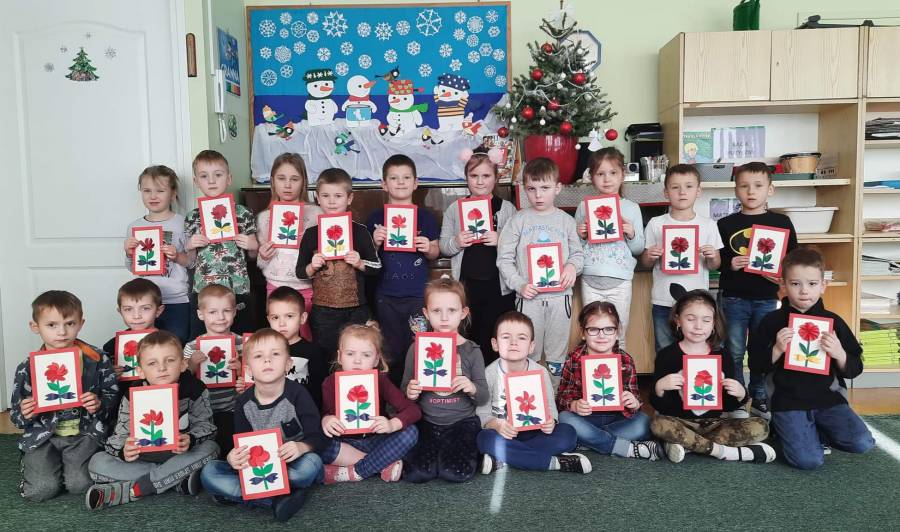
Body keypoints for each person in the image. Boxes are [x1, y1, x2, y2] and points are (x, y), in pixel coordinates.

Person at [748, 248, 874, 470]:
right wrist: (777, 349)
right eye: (795, 284)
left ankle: (818, 430)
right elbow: (755, 365)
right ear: (783, 285)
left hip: (828, 399)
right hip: (788, 401)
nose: (804, 291)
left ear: (823, 285)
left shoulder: (834, 322)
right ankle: (782, 428)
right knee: (808, 461)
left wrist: (839, 353)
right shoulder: (771, 321)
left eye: (812, 284)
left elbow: (855, 368)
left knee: (862, 443)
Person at [201, 328, 325, 522]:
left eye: (275, 354)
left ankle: (253, 496)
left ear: (288, 364)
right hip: (260, 468)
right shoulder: (243, 402)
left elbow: (318, 437)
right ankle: (279, 498)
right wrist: (234, 457)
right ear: (248, 369)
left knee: (312, 464)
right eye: (259, 356)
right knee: (209, 473)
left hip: (293, 464)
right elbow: (242, 445)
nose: (267, 360)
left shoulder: (298, 394)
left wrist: (302, 447)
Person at [86, 330, 219, 509]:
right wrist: (123, 451)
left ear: (183, 364)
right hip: (142, 459)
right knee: (97, 462)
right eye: (152, 363)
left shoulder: (195, 388)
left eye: (169, 360)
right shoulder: (131, 394)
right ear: (140, 371)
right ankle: (174, 479)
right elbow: (119, 436)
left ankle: (137, 488)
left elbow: (208, 427)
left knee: (212, 448)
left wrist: (191, 439)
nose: (162, 368)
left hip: (181, 454)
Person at [9, 291, 118, 501]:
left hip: (84, 434)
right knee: (41, 491)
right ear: (35, 327)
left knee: (80, 485)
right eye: (52, 325)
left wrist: (99, 404)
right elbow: (16, 416)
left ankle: (75, 464)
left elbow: (112, 396)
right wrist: (25, 413)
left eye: (70, 323)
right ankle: (34, 462)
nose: (62, 332)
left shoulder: (97, 359)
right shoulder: (27, 367)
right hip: (43, 437)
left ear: (81, 324)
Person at [649, 289, 775, 464]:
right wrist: (659, 388)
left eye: (706, 320)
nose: (698, 326)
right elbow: (660, 406)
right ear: (678, 320)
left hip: (715, 425)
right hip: (680, 422)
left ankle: (687, 445)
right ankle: (726, 452)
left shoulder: (723, 356)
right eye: (690, 319)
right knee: (658, 424)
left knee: (760, 427)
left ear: (714, 323)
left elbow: (729, 405)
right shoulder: (667, 356)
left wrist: (741, 394)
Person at [718, 161, 798, 419]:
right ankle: (737, 397)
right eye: (744, 186)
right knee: (734, 349)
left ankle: (760, 396)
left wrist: (781, 275)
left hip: (766, 297)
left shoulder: (781, 222)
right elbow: (717, 261)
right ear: (735, 190)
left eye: (758, 186)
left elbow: (792, 259)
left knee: (761, 347)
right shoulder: (725, 224)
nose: (751, 191)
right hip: (733, 297)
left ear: (770, 190)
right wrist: (730, 263)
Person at [497, 158, 584, 383]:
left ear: (558, 188)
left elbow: (578, 254)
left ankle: (553, 396)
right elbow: (504, 259)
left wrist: (572, 267)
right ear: (524, 189)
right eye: (532, 189)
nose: (538, 195)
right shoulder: (517, 221)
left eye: (545, 188)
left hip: (559, 299)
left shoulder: (566, 221)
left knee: (557, 354)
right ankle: (527, 396)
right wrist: (519, 284)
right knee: (527, 351)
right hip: (528, 300)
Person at [476, 311, 591, 475]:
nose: (513, 343)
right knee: (484, 439)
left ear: (531, 346)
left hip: (536, 433)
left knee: (568, 433)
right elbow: (481, 414)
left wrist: (551, 422)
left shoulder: (541, 372)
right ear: (495, 344)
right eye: (506, 337)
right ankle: (554, 462)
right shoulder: (489, 374)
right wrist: (496, 424)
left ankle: (504, 458)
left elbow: (551, 409)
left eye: (522, 338)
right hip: (504, 433)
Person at [401, 278, 488, 483]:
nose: (444, 318)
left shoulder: (472, 350)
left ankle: (472, 452)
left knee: (455, 473)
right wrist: (410, 392)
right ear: (426, 313)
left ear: (463, 313)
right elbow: (404, 388)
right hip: (426, 422)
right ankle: (443, 451)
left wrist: (471, 387)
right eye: (436, 311)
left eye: (451, 310)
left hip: (462, 423)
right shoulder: (416, 348)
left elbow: (484, 396)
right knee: (416, 474)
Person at [439, 150, 517, 364]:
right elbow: (444, 246)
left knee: (497, 335)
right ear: (466, 178)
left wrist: (501, 239)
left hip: (499, 288)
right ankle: (470, 378)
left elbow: (520, 248)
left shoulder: (507, 209)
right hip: (466, 286)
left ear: (496, 177)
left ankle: (496, 378)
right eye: (474, 176)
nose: (480, 181)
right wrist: (456, 242)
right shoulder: (455, 209)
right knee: (468, 336)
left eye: (486, 176)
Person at [367, 154, 440, 384]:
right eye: (394, 178)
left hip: (417, 296)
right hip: (386, 295)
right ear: (384, 184)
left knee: (419, 347)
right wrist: (374, 242)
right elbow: (366, 257)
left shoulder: (426, 217)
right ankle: (392, 396)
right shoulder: (375, 217)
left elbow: (435, 251)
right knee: (389, 349)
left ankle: (417, 393)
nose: (400, 182)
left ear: (416, 183)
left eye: (406, 177)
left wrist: (428, 247)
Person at [557, 301, 661, 460]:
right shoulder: (574, 359)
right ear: (583, 333)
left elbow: (635, 400)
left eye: (609, 329)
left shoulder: (625, 360)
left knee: (644, 422)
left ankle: (589, 441)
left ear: (617, 332)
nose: (601, 335)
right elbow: (562, 399)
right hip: (584, 419)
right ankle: (624, 448)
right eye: (593, 329)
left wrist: (633, 403)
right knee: (564, 418)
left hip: (617, 419)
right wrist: (574, 405)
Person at [296, 168, 381, 360]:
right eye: (325, 196)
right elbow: (300, 272)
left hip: (356, 310)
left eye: (338, 196)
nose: (332, 201)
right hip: (322, 311)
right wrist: (312, 266)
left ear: (349, 198)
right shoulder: (310, 234)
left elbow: (377, 267)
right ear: (317, 198)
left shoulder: (360, 232)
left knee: (356, 355)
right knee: (326, 357)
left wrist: (360, 263)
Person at [319, 322, 420, 483]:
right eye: (350, 354)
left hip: (377, 440)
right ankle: (382, 464)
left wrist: (391, 424)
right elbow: (325, 413)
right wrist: (326, 420)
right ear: (340, 357)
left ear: (376, 360)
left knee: (411, 432)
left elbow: (413, 410)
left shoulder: (381, 380)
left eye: (366, 355)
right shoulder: (330, 383)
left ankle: (353, 472)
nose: (357, 361)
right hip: (345, 444)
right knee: (317, 441)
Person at [640, 164, 722, 352]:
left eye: (689, 186)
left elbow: (714, 265)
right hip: (663, 300)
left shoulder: (708, 225)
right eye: (675, 187)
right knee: (664, 349)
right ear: (666, 193)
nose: (682, 192)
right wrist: (650, 255)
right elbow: (645, 263)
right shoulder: (656, 223)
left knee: (696, 349)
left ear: (698, 191)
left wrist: (713, 256)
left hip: (697, 304)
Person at [574, 148, 645, 350]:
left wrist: (631, 233)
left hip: (620, 281)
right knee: (592, 335)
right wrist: (580, 236)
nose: (607, 179)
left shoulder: (631, 208)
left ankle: (620, 371)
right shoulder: (583, 207)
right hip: (590, 279)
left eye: (613, 173)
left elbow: (638, 248)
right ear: (591, 177)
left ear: (623, 174)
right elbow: (575, 249)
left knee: (618, 336)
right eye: (600, 174)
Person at [184, 150, 258, 339]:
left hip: (237, 287)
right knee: (202, 340)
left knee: (242, 338)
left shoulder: (243, 213)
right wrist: (190, 246)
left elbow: (253, 256)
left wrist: (252, 245)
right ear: (196, 181)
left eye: (218, 175)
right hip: (204, 288)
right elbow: (190, 261)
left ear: (229, 178)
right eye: (204, 176)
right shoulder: (192, 217)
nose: (211, 181)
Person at [255, 153, 322, 342]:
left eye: (294, 179)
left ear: (303, 182)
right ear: (272, 181)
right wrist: (263, 256)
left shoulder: (316, 214)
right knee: (280, 339)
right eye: (281, 178)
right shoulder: (264, 218)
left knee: (306, 338)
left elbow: (323, 254)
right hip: (275, 286)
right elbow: (261, 262)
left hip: (306, 288)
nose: (287, 185)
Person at [123, 165, 191, 343]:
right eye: (147, 191)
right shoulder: (134, 226)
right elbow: (132, 267)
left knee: (176, 342)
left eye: (160, 191)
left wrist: (177, 256)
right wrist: (129, 253)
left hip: (176, 299)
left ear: (173, 193)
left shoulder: (182, 223)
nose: (153, 196)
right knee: (146, 345)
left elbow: (192, 262)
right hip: (143, 303)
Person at [245, 286, 328, 410]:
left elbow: (318, 392)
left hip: (302, 413)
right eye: (275, 317)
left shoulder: (313, 352)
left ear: (302, 318)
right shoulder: (262, 350)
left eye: (289, 316)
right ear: (268, 319)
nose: (282, 323)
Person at [183, 284, 242, 454]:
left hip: (232, 408)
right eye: (212, 312)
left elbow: (252, 378)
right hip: (200, 412)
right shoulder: (192, 347)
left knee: (229, 445)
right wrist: (192, 365)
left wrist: (240, 369)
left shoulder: (242, 343)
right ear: (201, 314)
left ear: (235, 312)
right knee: (202, 447)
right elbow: (183, 381)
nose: (220, 317)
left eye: (227, 311)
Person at [102, 279, 165, 416]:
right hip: (123, 409)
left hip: (161, 405)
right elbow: (103, 385)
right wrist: (111, 375)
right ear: (120, 311)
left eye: (145, 308)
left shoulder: (170, 342)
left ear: (158, 311)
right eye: (128, 309)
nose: (136, 316)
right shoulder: (111, 346)